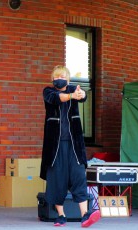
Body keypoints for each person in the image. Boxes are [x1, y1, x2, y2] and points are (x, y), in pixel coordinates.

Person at [40, 65, 100, 227]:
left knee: (79, 175)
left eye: (62, 76)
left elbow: (82, 96)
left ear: (68, 78)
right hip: (55, 146)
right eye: (56, 77)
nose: (58, 79)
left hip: (74, 145)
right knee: (56, 178)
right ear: (52, 79)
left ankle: (85, 214)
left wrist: (81, 94)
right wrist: (71, 95)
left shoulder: (74, 89)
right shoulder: (48, 92)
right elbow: (56, 99)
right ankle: (61, 215)